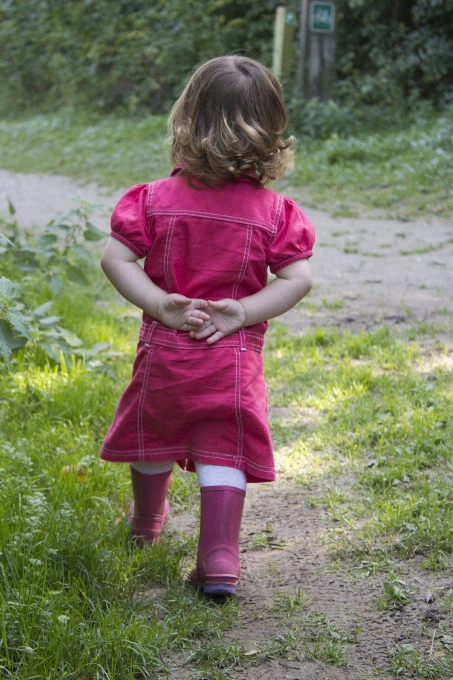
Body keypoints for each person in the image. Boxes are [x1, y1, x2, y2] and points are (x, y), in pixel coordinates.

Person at [99, 55, 315, 596]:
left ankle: (146, 523)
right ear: (271, 129)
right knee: (224, 448)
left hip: (165, 352)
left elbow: (114, 260)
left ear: (185, 119)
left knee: (153, 436)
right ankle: (219, 558)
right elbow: (298, 278)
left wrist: (161, 303)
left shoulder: (151, 200)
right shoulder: (275, 212)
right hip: (232, 357)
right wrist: (242, 311)